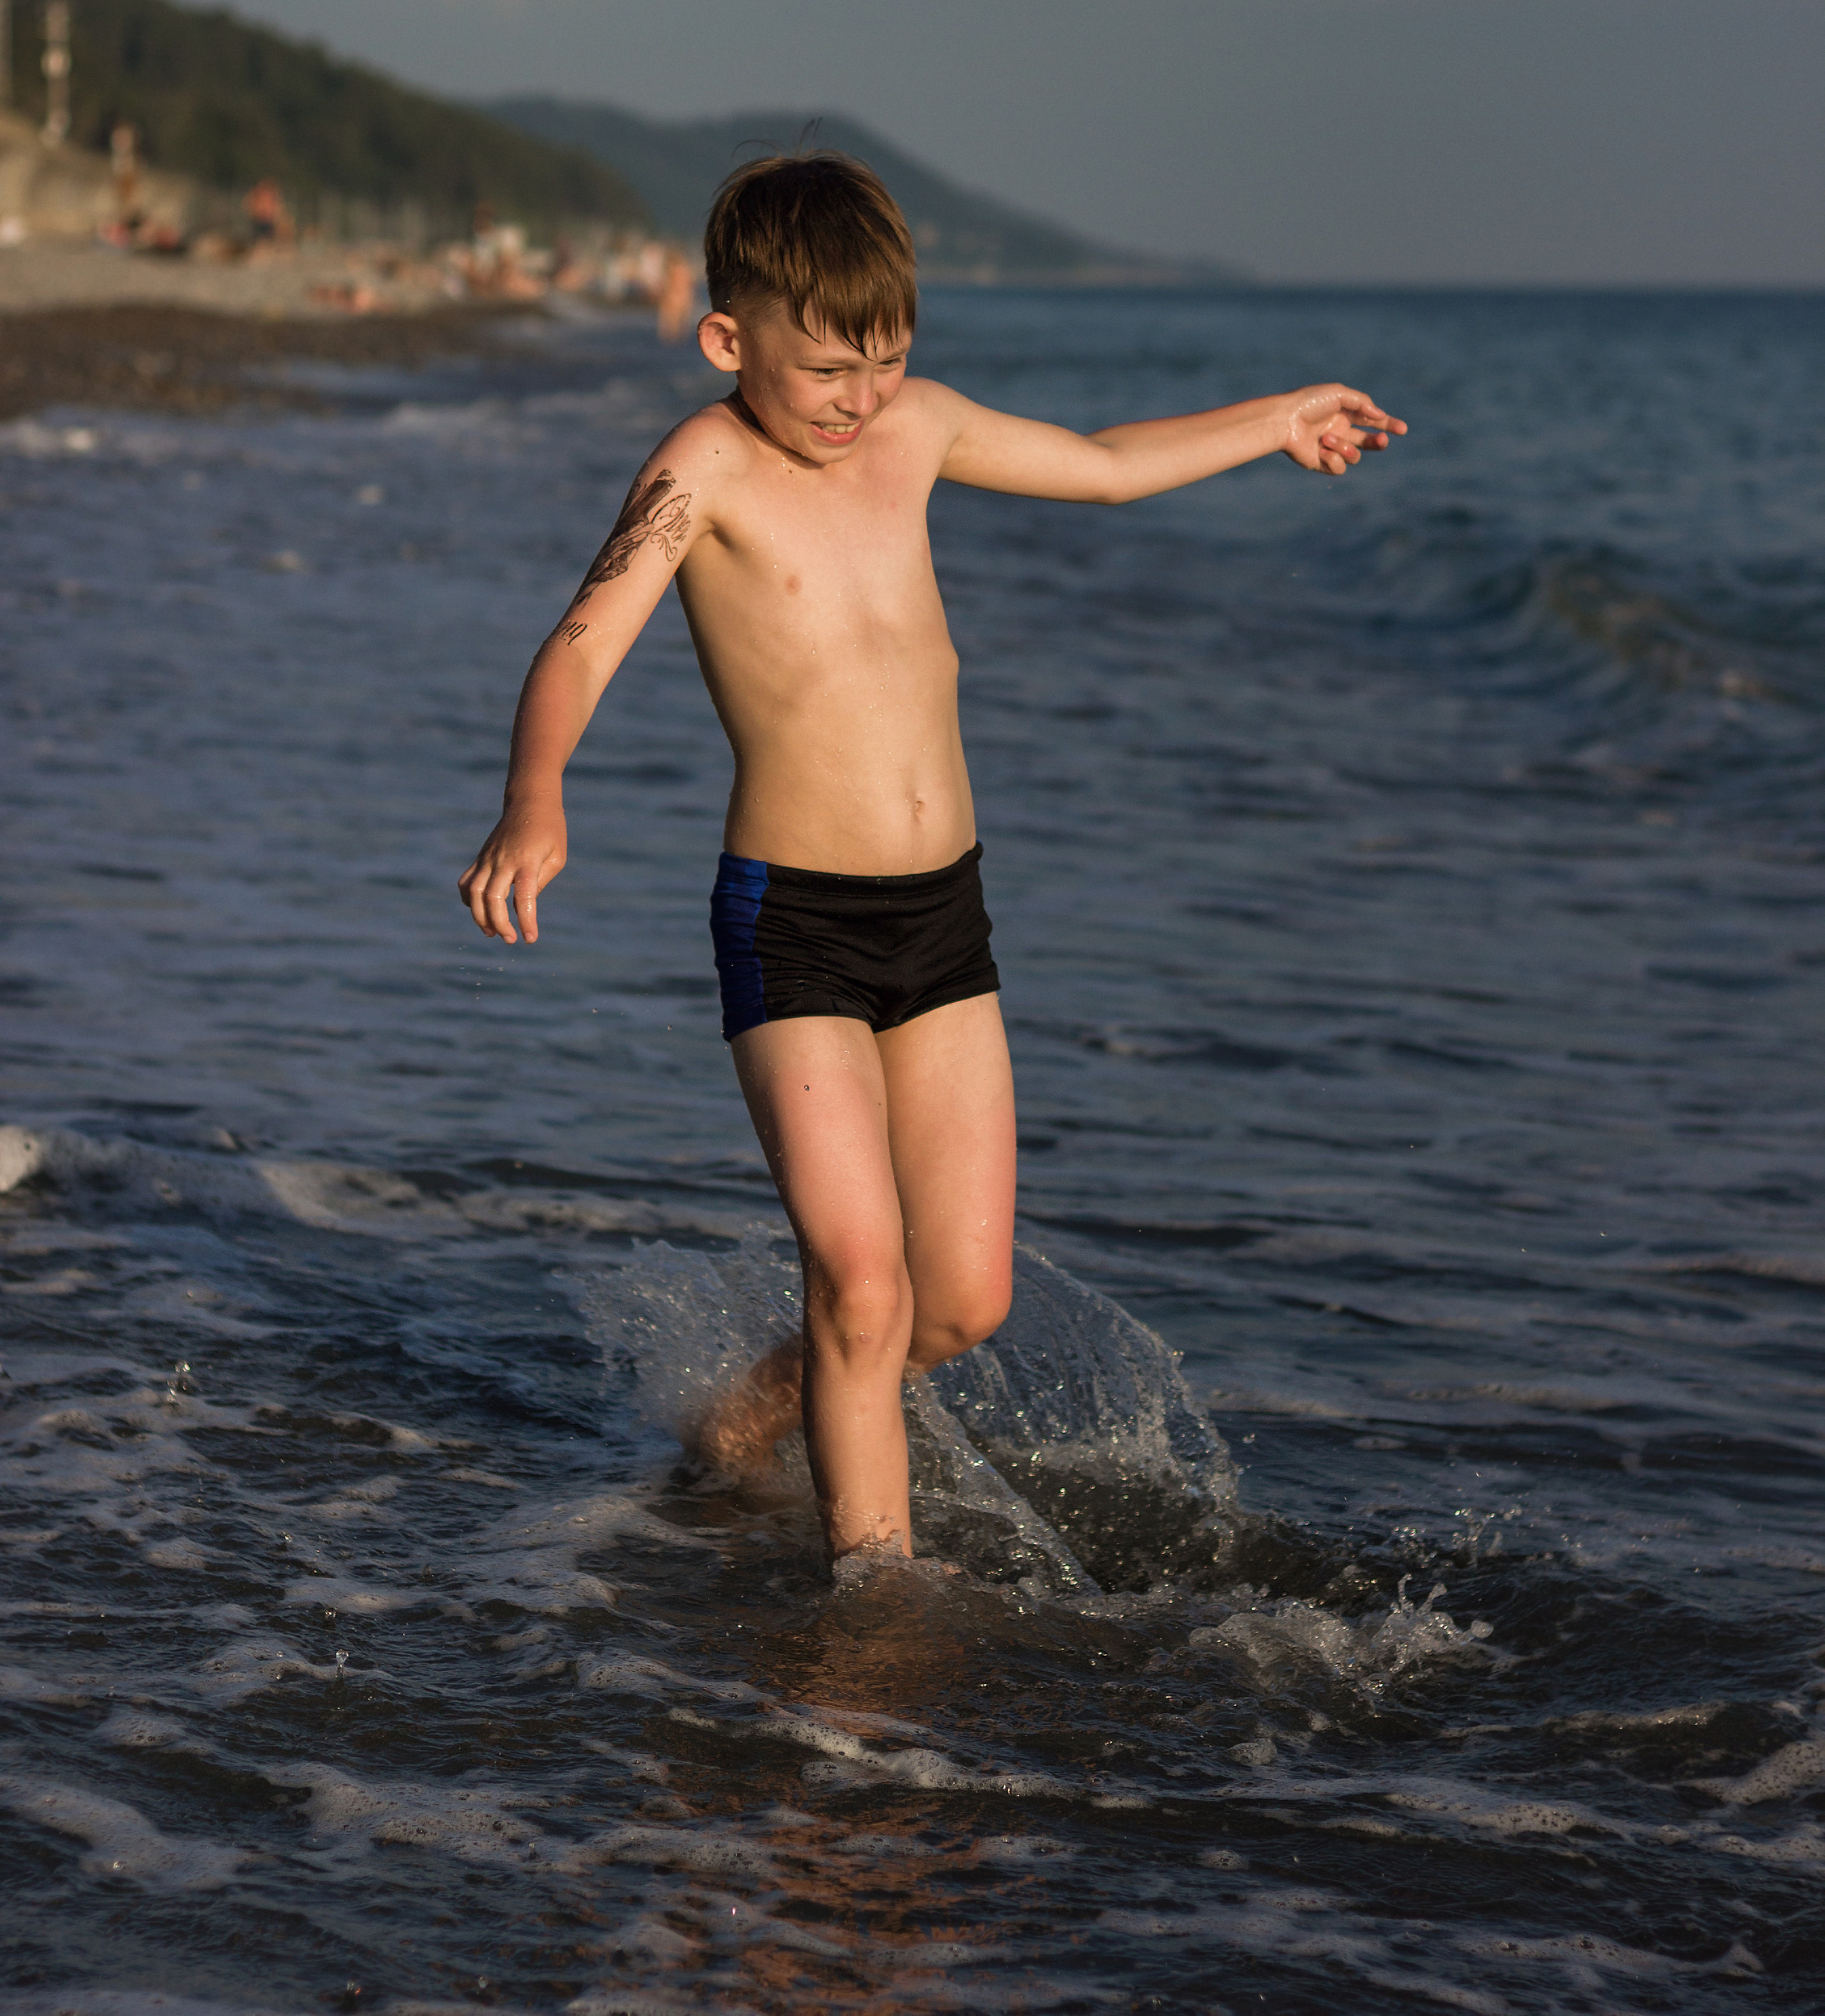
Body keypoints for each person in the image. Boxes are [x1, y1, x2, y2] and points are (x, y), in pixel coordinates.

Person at [458, 151, 1404, 1569]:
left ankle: (744, 1419)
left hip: (942, 925)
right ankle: (872, 1602)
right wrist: (536, 797)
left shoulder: (914, 433)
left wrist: (1281, 418)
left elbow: (1096, 464)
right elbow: (586, 636)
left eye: (886, 361)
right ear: (730, 341)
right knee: (861, 1279)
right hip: (796, 929)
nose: (860, 398)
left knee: (956, 1303)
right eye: (830, 367)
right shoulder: (701, 469)